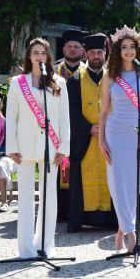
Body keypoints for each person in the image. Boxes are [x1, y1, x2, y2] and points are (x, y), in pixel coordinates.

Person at [6, 38, 70, 258]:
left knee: (49, 198)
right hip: (24, 145)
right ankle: (26, 249)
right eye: (35, 52)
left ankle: (45, 245)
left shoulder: (59, 82)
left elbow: (64, 118)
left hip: (50, 146)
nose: (39, 56)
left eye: (43, 52)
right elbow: (11, 117)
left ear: (48, 56)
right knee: (25, 198)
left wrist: (64, 146)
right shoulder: (17, 82)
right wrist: (11, 145)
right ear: (28, 56)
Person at [98, 25, 140, 253]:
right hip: (115, 134)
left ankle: (123, 229)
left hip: (138, 135)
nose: (129, 51)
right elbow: (103, 112)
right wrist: (101, 140)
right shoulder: (110, 77)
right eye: (124, 47)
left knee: (135, 185)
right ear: (118, 51)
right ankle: (131, 233)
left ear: (138, 50)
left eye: (132, 47)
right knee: (117, 184)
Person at [66, 34, 117, 233]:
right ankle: (80, 219)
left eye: (100, 52)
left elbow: (120, 107)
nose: (96, 56)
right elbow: (70, 111)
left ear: (105, 53)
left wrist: (107, 128)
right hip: (85, 140)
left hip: (110, 138)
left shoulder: (114, 79)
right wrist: (88, 128)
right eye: (92, 52)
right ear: (85, 54)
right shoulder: (75, 80)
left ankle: (110, 220)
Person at [54, 29, 87, 221]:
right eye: (69, 47)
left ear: (82, 50)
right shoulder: (53, 71)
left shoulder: (88, 72)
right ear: (63, 48)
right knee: (60, 171)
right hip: (57, 131)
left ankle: (77, 209)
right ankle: (60, 212)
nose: (73, 50)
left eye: (77, 47)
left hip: (82, 130)